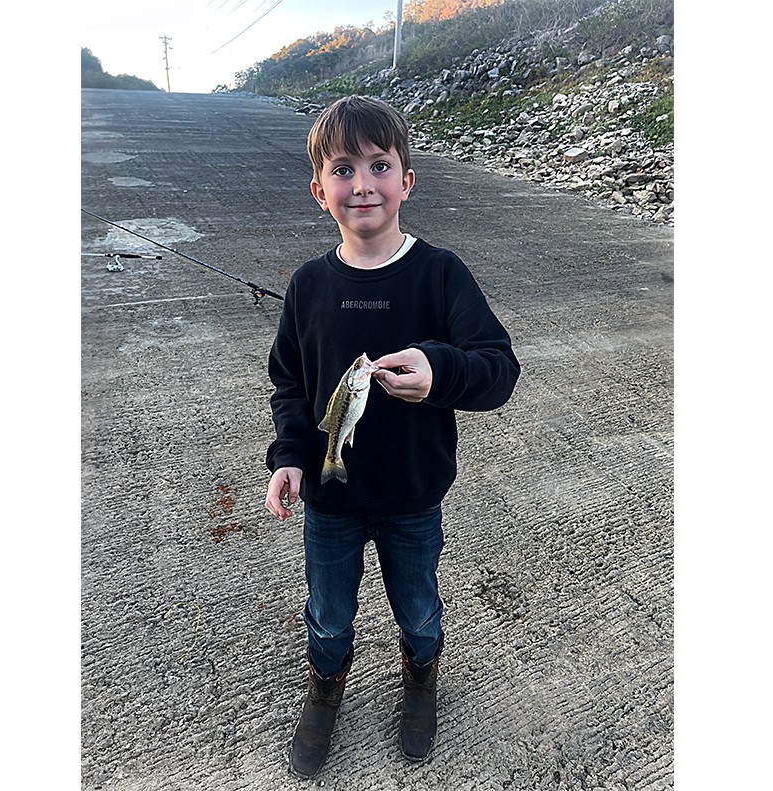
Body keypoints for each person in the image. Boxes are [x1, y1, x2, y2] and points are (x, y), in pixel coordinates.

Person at [264, 95, 520, 778]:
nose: (362, 183)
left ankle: (420, 677)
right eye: (342, 170)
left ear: (407, 179)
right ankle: (325, 687)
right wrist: (291, 456)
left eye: (379, 164)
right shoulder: (307, 285)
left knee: (418, 607)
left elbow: (498, 370)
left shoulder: (440, 273)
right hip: (328, 499)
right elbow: (289, 383)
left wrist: (441, 370)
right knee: (327, 615)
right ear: (320, 191)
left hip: (413, 496)